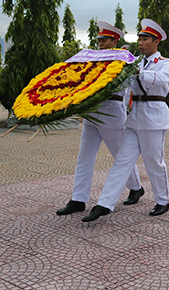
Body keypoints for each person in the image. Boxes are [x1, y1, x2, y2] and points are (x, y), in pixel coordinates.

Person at [82, 19, 169, 222]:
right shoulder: (134, 62)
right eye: (139, 39)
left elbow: (162, 80)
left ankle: (162, 200)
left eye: (145, 39)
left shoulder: (164, 63)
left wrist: (140, 72)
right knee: (122, 162)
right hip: (135, 118)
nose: (141, 43)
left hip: (154, 118)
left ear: (156, 41)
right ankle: (104, 204)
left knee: (154, 162)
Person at [56, 21, 139, 216]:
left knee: (120, 156)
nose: (100, 43)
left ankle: (136, 187)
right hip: (91, 113)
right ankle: (78, 199)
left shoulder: (123, 60)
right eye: (99, 40)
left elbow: (128, 84)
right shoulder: (91, 58)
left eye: (104, 40)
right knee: (84, 157)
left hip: (111, 112)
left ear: (114, 41)